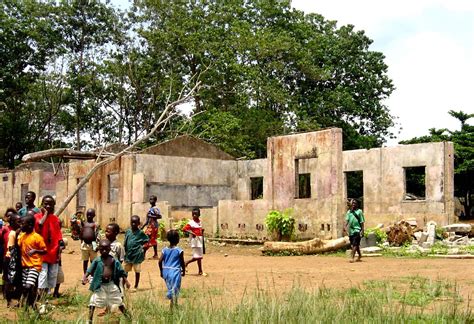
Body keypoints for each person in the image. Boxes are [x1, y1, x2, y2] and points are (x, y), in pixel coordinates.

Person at [82, 239, 130, 323]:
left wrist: (126, 281)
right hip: (100, 285)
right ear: (99, 249)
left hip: (111, 284)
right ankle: (89, 320)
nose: (104, 251)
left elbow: (121, 271)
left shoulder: (113, 260)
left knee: (118, 300)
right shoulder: (97, 260)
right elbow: (90, 269)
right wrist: (85, 277)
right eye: (102, 249)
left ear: (109, 249)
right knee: (93, 301)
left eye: (106, 249)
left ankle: (128, 318)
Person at [34, 196, 63, 296]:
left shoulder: (55, 219)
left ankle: (46, 297)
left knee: (52, 275)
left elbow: (58, 236)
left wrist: (60, 248)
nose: (48, 206)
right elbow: (39, 226)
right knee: (43, 274)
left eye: (50, 204)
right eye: (46, 204)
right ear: (42, 204)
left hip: (53, 252)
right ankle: (41, 296)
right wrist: (45, 214)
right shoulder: (37, 217)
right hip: (42, 252)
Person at [18, 214, 47, 308]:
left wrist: (36, 250)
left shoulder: (37, 237)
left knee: (28, 286)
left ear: (30, 225)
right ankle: (31, 306)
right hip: (24, 266)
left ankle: (28, 305)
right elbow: (18, 246)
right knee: (27, 288)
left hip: (35, 266)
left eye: (23, 224)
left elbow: (45, 250)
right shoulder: (22, 236)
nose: (21, 225)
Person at [159, 229, 185, 308]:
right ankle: (172, 308)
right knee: (175, 289)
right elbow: (182, 262)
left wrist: (161, 271)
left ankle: (175, 305)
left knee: (171, 288)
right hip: (175, 271)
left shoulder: (164, 250)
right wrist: (183, 270)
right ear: (177, 239)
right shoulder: (179, 251)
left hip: (166, 271)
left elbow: (159, 261)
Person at [124, 215, 149, 291]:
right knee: (125, 271)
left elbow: (147, 240)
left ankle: (136, 285)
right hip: (128, 255)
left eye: (135, 223)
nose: (133, 224)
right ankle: (123, 284)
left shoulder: (140, 233)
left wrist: (143, 249)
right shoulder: (128, 231)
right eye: (132, 222)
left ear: (138, 223)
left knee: (137, 271)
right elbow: (126, 241)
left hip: (137, 255)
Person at [3, 212, 22, 307]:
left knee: (18, 280)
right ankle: (9, 300)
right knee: (9, 280)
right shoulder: (13, 233)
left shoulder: (21, 233)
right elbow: (11, 248)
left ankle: (18, 300)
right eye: (18, 222)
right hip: (10, 259)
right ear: (12, 222)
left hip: (17, 259)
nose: (20, 224)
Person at [183, 208, 204, 275]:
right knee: (198, 256)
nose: (195, 215)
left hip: (199, 240)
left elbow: (199, 230)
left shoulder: (199, 222)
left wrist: (202, 231)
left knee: (199, 256)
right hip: (195, 241)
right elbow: (184, 229)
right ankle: (186, 262)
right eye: (193, 214)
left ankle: (200, 271)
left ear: (199, 215)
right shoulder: (191, 223)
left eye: (196, 214)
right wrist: (192, 233)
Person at [141, 195, 161, 259]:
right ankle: (155, 255)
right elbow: (147, 220)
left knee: (147, 239)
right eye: (150, 199)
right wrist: (142, 227)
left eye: (152, 199)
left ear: (155, 200)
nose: (151, 201)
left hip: (153, 226)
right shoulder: (150, 208)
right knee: (152, 239)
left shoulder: (155, 208)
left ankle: (143, 254)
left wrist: (151, 216)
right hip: (150, 226)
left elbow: (159, 216)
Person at [80, 209, 100, 274]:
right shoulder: (84, 224)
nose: (89, 216)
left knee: (93, 261)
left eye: (91, 215)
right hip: (85, 245)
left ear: (94, 215)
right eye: (88, 215)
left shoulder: (95, 224)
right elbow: (81, 233)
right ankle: (85, 275)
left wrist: (98, 245)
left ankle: (92, 275)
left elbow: (97, 235)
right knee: (85, 261)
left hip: (93, 245)